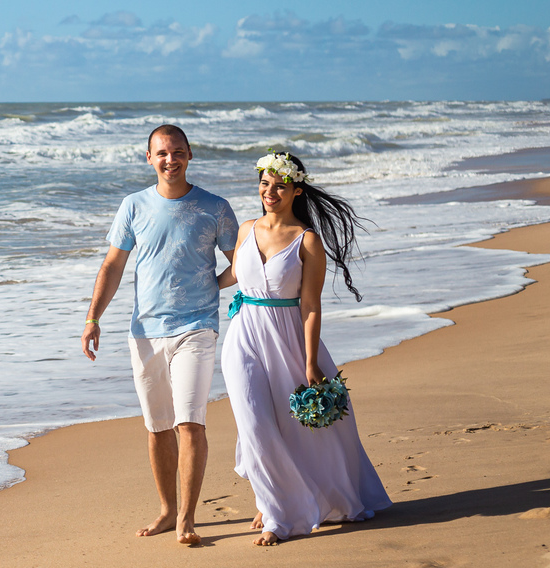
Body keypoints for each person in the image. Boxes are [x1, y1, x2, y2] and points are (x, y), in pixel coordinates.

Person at [218, 152, 391, 546]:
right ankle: (275, 508)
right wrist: (194, 289)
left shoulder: (306, 240)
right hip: (243, 336)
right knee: (254, 423)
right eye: (264, 183)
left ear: (296, 190)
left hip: (288, 338)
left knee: (296, 428)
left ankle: (280, 510)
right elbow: (235, 274)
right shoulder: (246, 229)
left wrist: (311, 362)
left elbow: (311, 304)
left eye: (280, 185)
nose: (270, 192)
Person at [81, 124, 238, 545]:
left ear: (190, 155)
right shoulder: (133, 206)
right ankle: (168, 510)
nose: (171, 159)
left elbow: (242, 262)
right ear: (149, 158)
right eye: (162, 153)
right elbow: (113, 266)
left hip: (197, 327)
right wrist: (93, 317)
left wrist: (212, 286)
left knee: (190, 423)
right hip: (145, 331)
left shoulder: (215, 207)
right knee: (157, 427)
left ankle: (187, 518)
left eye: (178, 151)